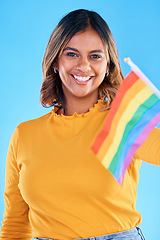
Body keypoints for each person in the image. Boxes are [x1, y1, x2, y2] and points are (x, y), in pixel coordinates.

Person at [0, 9, 159, 240]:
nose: (84, 66)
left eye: (95, 56)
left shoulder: (124, 124)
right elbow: (15, 224)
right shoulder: (25, 135)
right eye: (72, 54)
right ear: (55, 60)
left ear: (107, 66)